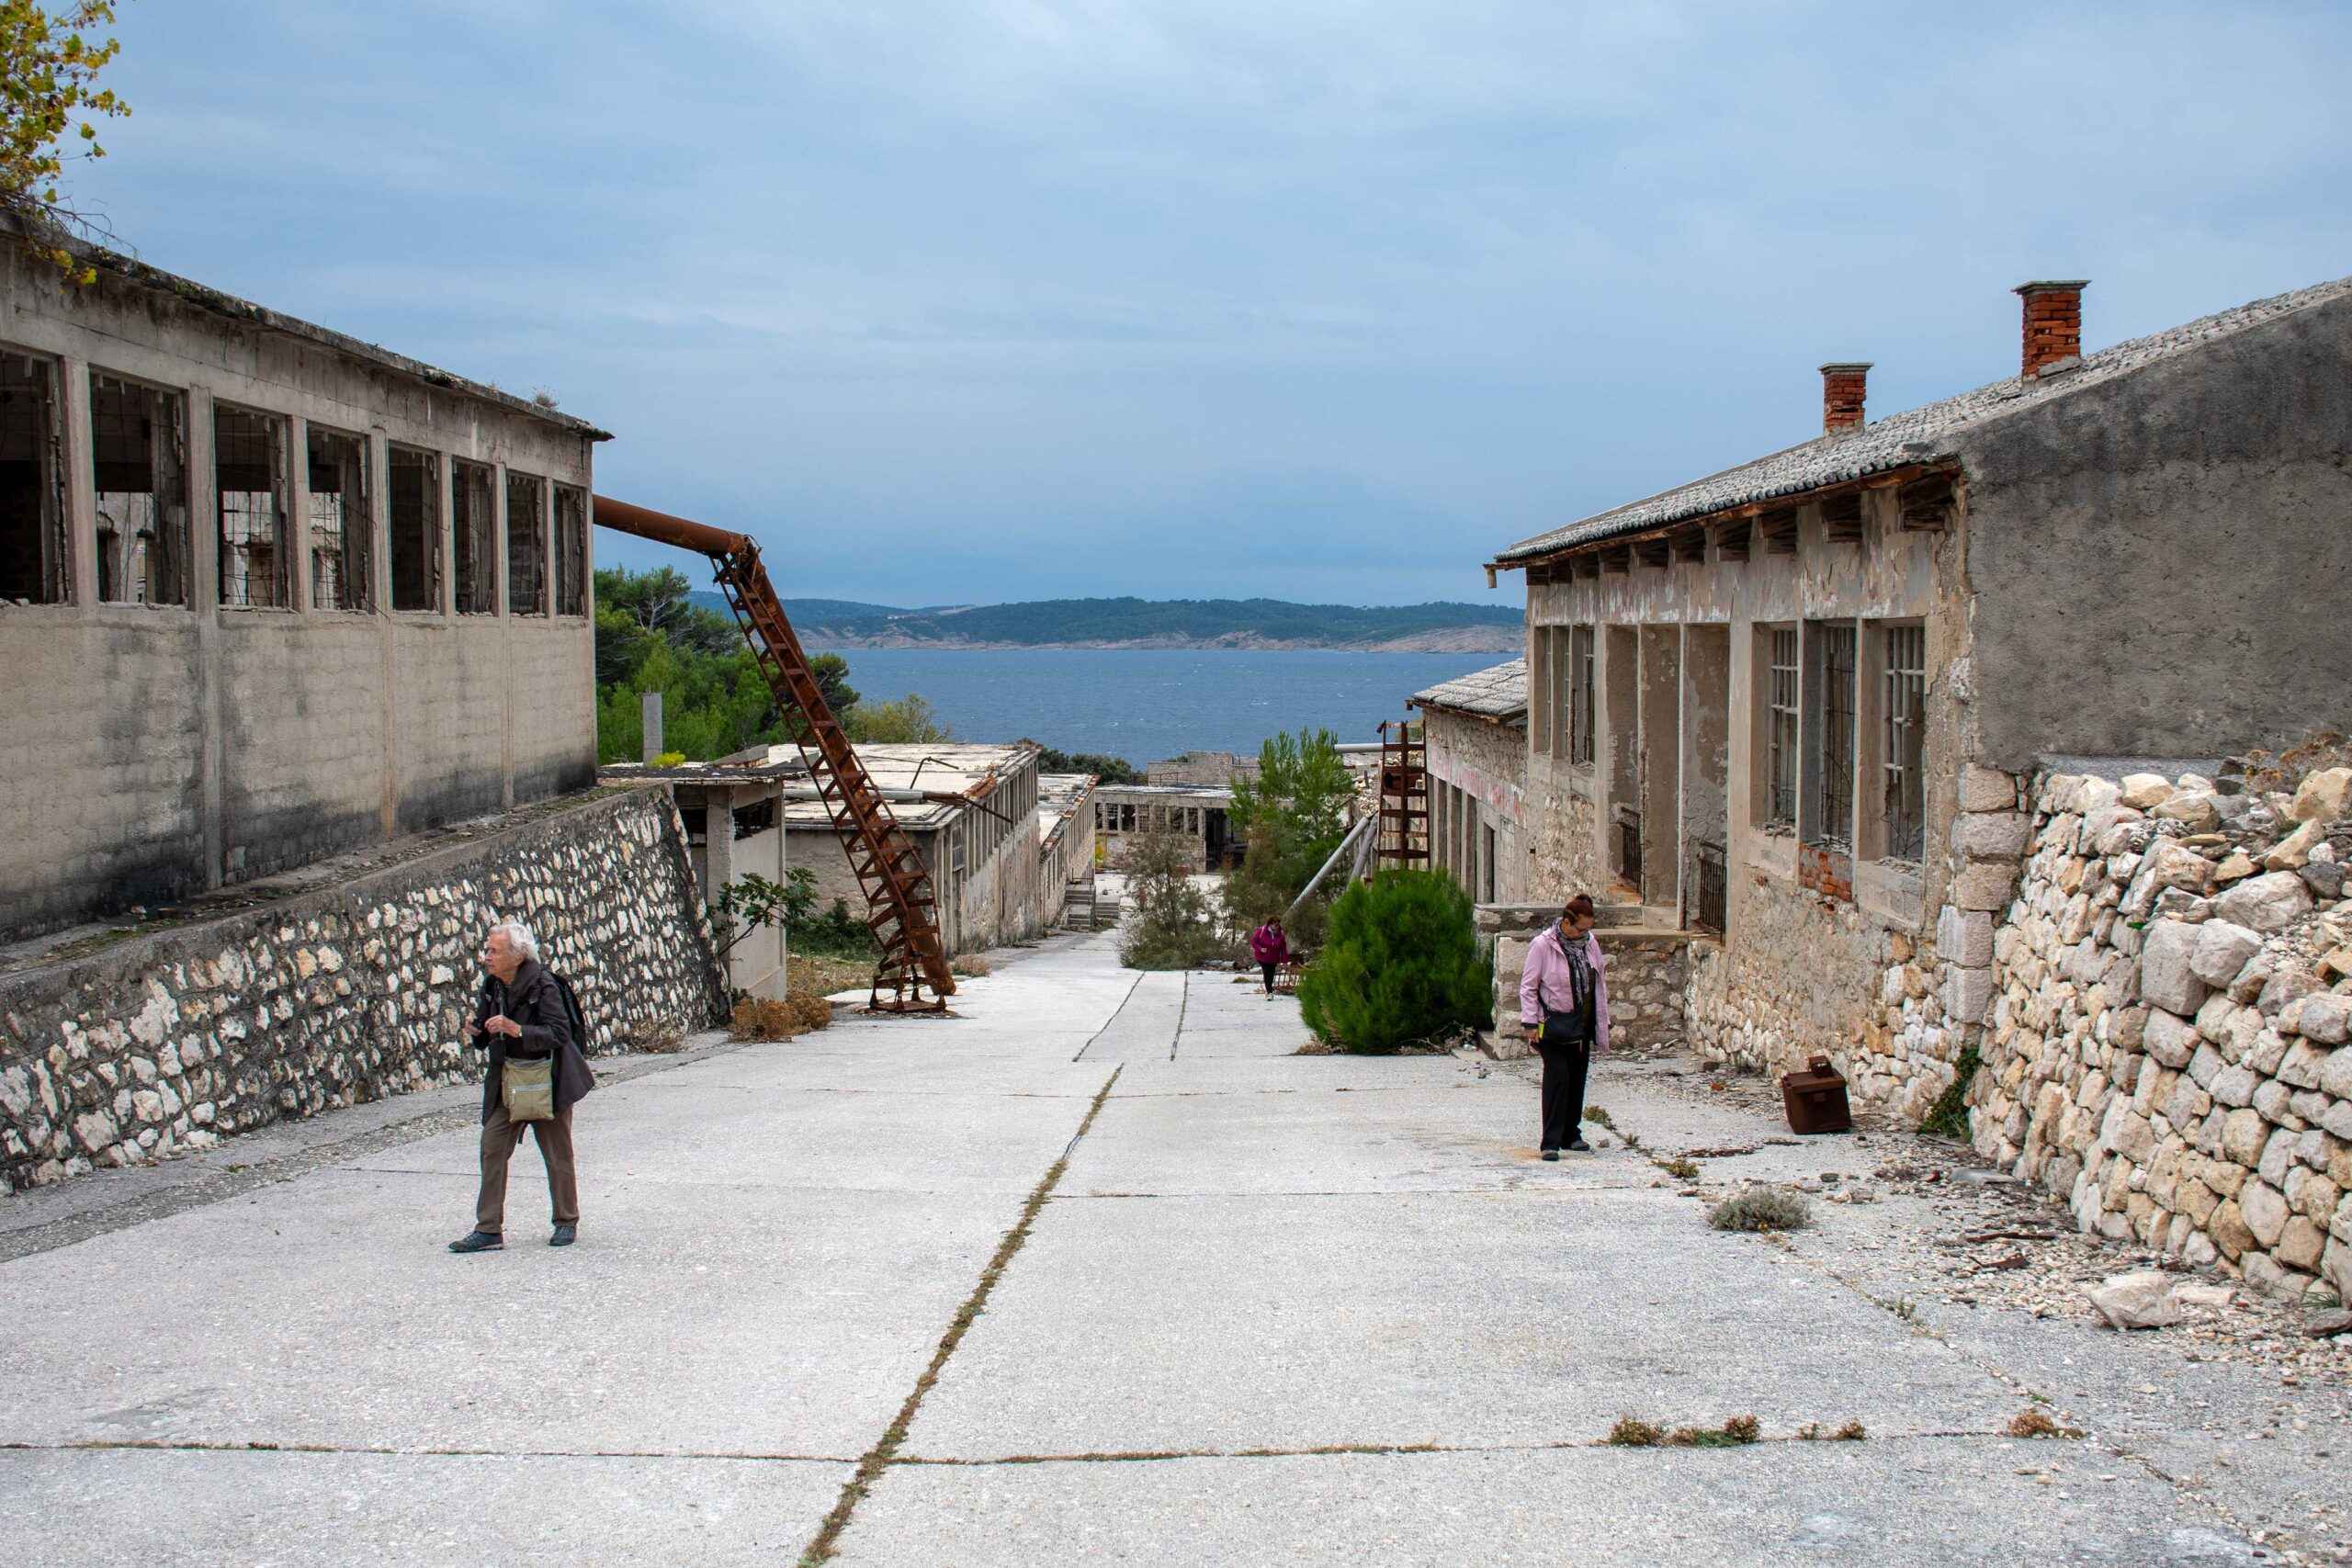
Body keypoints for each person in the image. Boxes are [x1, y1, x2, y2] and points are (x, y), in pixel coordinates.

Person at [447, 919, 593, 1253]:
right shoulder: (493, 985)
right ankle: (488, 1229)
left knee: (557, 1153)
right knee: (492, 1146)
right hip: (508, 1080)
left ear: (517, 955)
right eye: (487, 950)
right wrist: (477, 1031)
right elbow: (486, 1036)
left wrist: (517, 1029)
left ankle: (566, 1221)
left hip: (547, 1080)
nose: (486, 957)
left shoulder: (544, 985)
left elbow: (560, 1033)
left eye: (494, 951)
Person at [1518, 895, 1611, 1159]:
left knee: (1577, 1079)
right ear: (1567, 923)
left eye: (1588, 929)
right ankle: (1550, 1141)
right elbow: (1528, 986)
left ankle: (1572, 1134)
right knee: (1557, 1078)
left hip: (1581, 1023)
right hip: (1551, 1024)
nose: (1585, 934)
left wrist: (1602, 1019)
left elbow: (1598, 982)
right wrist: (1529, 1022)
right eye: (1581, 929)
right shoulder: (1543, 945)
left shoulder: (1590, 943)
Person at [1249, 915, 1291, 998]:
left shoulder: (1281, 934)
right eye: (1275, 925)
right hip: (1262, 957)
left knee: (1271, 974)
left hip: (1274, 958)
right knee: (1267, 972)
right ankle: (1269, 992)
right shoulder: (1262, 930)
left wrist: (1285, 961)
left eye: (1278, 924)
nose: (1277, 926)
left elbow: (1283, 949)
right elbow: (1253, 942)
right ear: (1270, 924)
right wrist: (1260, 949)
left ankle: (1269, 991)